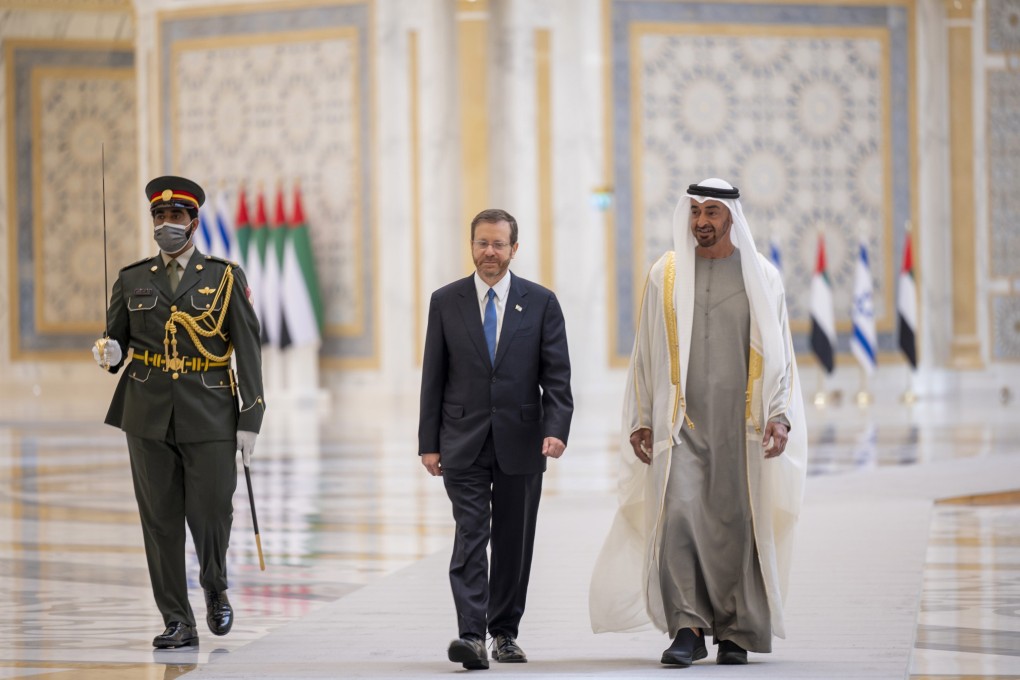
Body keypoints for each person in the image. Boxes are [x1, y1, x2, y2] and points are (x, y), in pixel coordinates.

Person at [589, 178, 807, 666]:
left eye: (711, 212)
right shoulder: (665, 274)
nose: (702, 222)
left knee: (736, 524)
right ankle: (686, 627)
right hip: (679, 423)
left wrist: (779, 416)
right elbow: (645, 354)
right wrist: (641, 418)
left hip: (740, 426)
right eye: (694, 213)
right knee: (679, 516)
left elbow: (781, 357)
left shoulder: (761, 275)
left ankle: (736, 630)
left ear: (732, 217)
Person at [91, 175, 265, 649]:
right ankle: (176, 618)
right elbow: (117, 340)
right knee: (160, 518)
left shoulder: (224, 277)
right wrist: (109, 355)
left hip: (209, 410)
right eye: (159, 217)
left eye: (176, 217)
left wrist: (250, 417)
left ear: (194, 222)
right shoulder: (131, 278)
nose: (166, 224)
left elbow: (247, 350)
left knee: (211, 513)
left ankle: (215, 587)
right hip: (145, 412)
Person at [419, 208, 573, 670]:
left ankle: (504, 633)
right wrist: (429, 441)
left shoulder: (541, 302)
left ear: (514, 249)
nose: (490, 252)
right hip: (461, 438)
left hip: (522, 441)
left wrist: (556, 429)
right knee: (471, 535)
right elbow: (434, 376)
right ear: (472, 246)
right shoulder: (446, 301)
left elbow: (558, 377)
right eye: (483, 243)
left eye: (499, 244)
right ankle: (471, 635)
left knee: (513, 540)